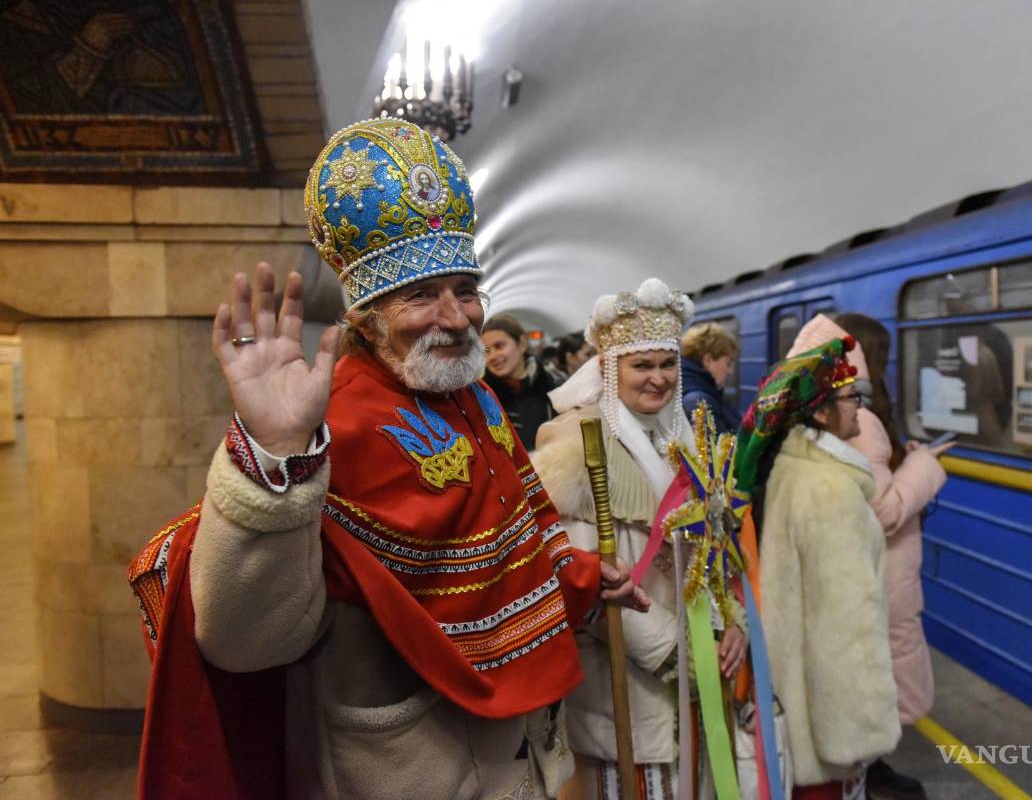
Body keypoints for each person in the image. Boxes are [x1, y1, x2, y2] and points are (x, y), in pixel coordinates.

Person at [127, 117, 648, 800]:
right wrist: (275, 450)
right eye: (420, 294)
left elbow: (514, 530)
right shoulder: (334, 420)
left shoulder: (478, 396)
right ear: (367, 316)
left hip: (519, 760)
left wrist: (579, 577)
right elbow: (243, 639)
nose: (456, 316)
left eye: (464, 290)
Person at [532, 278, 748, 800]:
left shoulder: (689, 444)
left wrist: (732, 621)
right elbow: (583, 576)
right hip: (629, 690)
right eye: (641, 366)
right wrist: (677, 653)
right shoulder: (576, 452)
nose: (658, 379)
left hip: (698, 682)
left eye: (667, 364)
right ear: (611, 369)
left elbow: (718, 554)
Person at [736, 332, 900, 800]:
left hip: (797, 710)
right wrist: (857, 732)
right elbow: (845, 628)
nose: (860, 409)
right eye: (851, 398)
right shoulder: (831, 490)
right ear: (822, 413)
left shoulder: (791, 470)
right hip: (830, 733)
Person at [835, 313, 951, 800]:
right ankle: (865, 771)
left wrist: (904, 457)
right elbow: (882, 512)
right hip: (877, 571)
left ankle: (868, 765)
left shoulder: (854, 411)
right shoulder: (860, 417)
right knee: (871, 671)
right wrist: (924, 467)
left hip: (879, 572)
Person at [483, 313, 562, 451]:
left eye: (499, 346)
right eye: (486, 351)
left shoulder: (555, 387)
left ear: (522, 343)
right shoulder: (482, 398)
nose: (493, 356)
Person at [680, 321, 741, 434]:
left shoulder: (707, 393)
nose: (730, 371)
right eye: (728, 363)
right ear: (708, 361)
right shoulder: (698, 401)